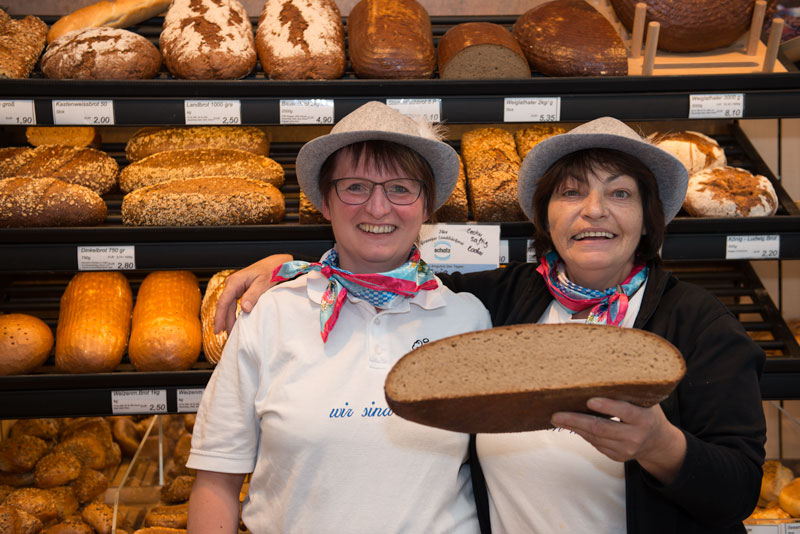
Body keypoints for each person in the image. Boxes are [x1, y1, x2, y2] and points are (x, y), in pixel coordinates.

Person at [214, 117, 768, 533]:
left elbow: (738, 490)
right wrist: (293, 266)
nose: (595, 210)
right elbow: (388, 263)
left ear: (648, 218)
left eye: (620, 193)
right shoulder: (502, 303)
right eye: (572, 192)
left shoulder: (698, 322)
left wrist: (659, 444)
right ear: (545, 218)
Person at [186, 101, 492, 534]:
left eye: (401, 188)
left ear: (427, 208)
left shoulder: (469, 321)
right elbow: (217, 478)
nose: (378, 207)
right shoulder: (269, 314)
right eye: (355, 187)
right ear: (325, 203)